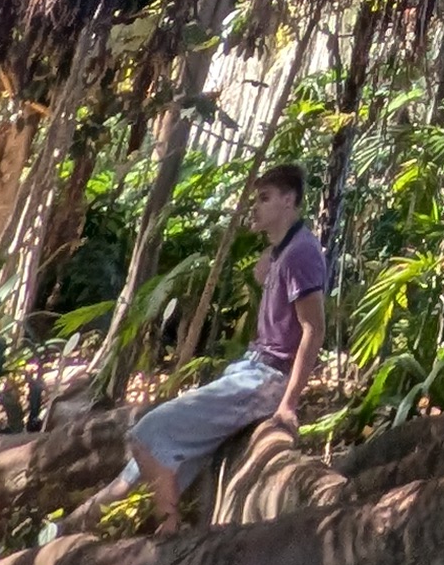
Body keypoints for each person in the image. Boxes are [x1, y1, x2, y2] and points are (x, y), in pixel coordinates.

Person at [125, 161, 328, 527]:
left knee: (149, 432)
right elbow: (270, 286)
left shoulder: (301, 252)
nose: (256, 206)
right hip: (251, 367)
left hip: (267, 377)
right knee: (133, 471)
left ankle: (168, 532)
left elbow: (313, 329)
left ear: (288, 200)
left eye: (264, 198)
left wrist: (289, 404)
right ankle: (77, 526)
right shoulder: (282, 251)